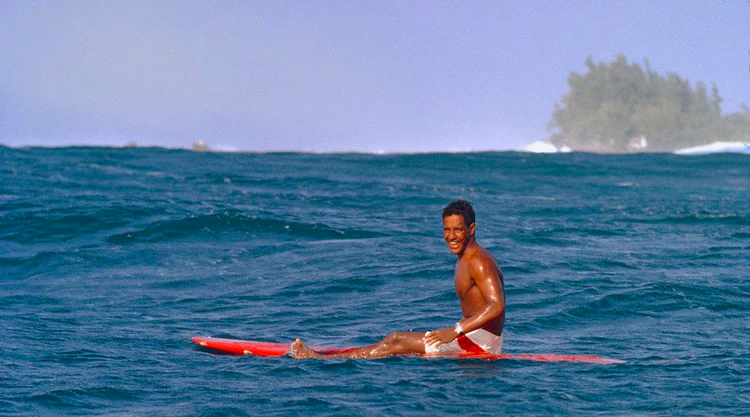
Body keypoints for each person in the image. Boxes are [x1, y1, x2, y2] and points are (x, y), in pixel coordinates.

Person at [290, 199, 505, 359]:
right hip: (474, 339)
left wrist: (455, 330)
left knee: (396, 340)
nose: (451, 236)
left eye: (458, 230)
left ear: (472, 229)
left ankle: (319, 358)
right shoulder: (466, 258)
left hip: (478, 343)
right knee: (402, 346)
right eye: (446, 230)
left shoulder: (478, 261)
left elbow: (496, 306)